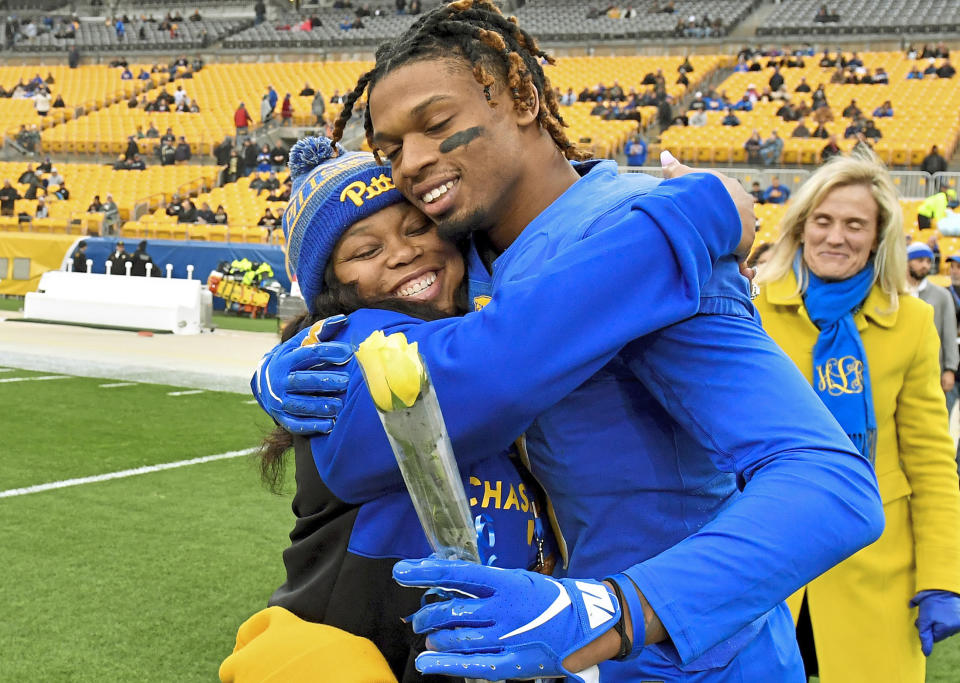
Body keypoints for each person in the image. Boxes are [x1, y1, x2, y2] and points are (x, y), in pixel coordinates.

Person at [251, 3, 884, 680]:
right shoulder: (464, 248)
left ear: (522, 95)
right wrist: (298, 345)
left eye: (437, 125)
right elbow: (429, 386)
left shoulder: (631, 226)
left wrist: (622, 609)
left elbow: (831, 483)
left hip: (691, 660)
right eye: (389, 147)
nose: (410, 163)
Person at [755, 152, 960, 682]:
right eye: (823, 221)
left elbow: (932, 465)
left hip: (875, 573)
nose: (836, 237)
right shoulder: (750, 310)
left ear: (877, 237)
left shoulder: (912, 323)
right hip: (762, 566)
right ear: (800, 226)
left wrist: (943, 576)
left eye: (854, 225)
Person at [906, 242, 959, 404]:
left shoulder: (942, 295)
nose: (925, 265)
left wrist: (950, 369)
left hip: (932, 371)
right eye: (920, 260)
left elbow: (949, 335)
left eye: (928, 261)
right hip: (901, 369)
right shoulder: (895, 292)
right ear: (907, 262)